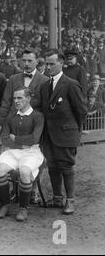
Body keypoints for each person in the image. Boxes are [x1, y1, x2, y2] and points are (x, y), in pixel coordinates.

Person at [40, 50, 87, 215]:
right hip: (49, 135)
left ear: (61, 64)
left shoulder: (71, 84)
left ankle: (70, 201)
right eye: (47, 64)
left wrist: (75, 131)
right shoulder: (45, 85)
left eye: (52, 64)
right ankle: (58, 198)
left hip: (66, 134)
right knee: (52, 166)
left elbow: (81, 111)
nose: (49, 67)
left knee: (66, 167)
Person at [0, 87, 45, 221]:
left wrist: (15, 138)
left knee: (25, 171)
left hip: (31, 152)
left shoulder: (37, 116)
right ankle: (5, 205)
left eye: (20, 98)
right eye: (14, 98)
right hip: (12, 152)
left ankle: (23, 209)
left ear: (28, 98)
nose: (16, 101)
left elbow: (34, 139)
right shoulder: (11, 117)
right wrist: (21, 143)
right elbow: (4, 139)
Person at [0, 48, 49, 121]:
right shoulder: (13, 79)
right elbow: (6, 103)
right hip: (13, 121)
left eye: (30, 61)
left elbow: (45, 108)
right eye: (24, 61)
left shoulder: (45, 80)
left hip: (34, 123)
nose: (26, 64)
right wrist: (2, 122)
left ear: (37, 61)